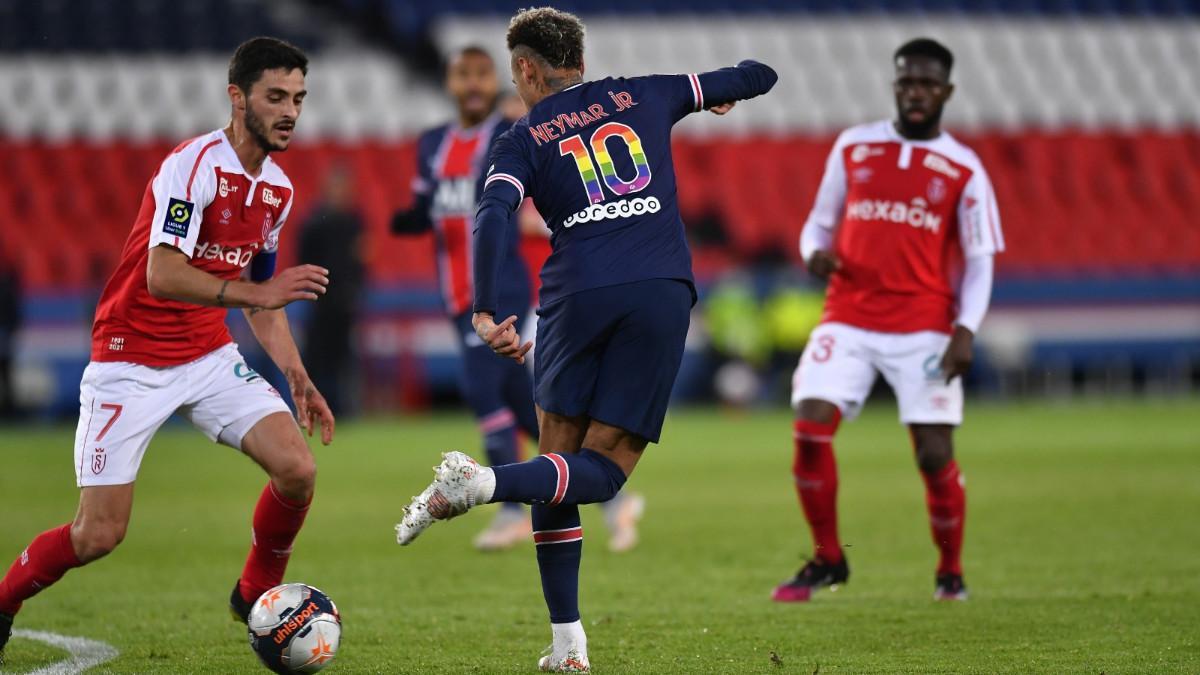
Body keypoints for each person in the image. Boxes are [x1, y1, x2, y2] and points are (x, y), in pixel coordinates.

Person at [395, 8, 777, 671]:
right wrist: (727, 91)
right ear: (580, 57)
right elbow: (758, 74)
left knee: (558, 461)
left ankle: (569, 643)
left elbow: (490, 214)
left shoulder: (520, 136)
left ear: (524, 68)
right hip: (657, 289)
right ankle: (481, 485)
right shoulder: (647, 92)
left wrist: (487, 310)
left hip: (573, 295)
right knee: (601, 471)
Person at [0, 37, 335, 659]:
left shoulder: (278, 191)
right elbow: (162, 273)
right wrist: (257, 290)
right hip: (128, 359)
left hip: (205, 354)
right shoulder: (193, 166)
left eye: (299, 98)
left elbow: (259, 304)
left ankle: (253, 592)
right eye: (276, 97)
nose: (290, 111)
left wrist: (296, 373)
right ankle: (3, 601)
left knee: (297, 469)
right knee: (97, 534)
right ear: (238, 98)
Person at [773, 38, 1004, 604]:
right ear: (895, 84)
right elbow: (817, 224)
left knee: (932, 455)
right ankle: (829, 560)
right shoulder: (855, 146)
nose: (915, 92)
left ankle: (950, 572)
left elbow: (979, 260)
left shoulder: (964, 168)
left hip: (923, 325)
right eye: (906, 82)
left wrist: (965, 329)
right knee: (809, 427)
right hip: (847, 316)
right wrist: (812, 254)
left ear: (946, 91)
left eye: (927, 83)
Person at [391, 45, 643, 553]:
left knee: (484, 392)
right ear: (449, 82)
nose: (475, 85)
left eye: (484, 75)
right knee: (523, 408)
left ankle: (508, 509)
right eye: (464, 75)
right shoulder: (433, 145)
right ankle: (614, 498)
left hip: (497, 291)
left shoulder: (509, 134)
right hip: (454, 292)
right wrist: (409, 218)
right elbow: (426, 205)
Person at [300, 165, 365, 416]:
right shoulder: (315, 223)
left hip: (345, 303)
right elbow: (303, 259)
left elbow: (361, 260)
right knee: (317, 358)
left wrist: (356, 289)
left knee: (344, 359)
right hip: (321, 303)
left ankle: (344, 410)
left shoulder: (354, 221)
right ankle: (312, 407)